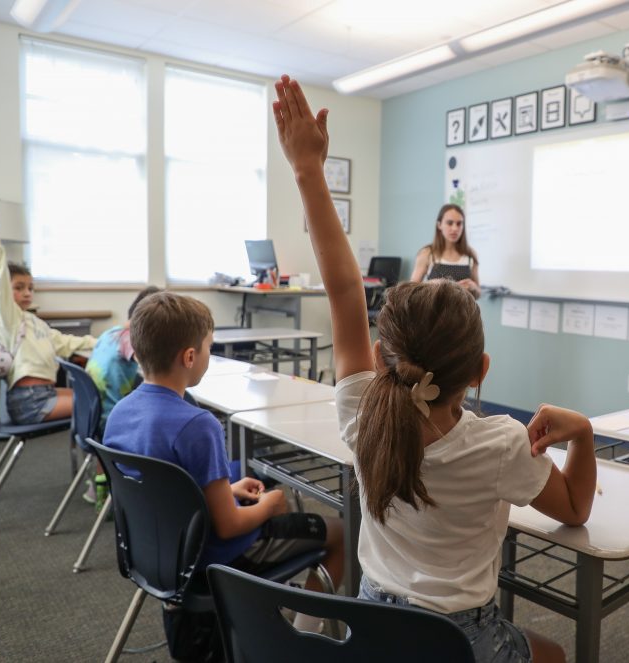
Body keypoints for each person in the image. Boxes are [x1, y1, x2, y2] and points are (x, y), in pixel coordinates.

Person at [273, 74, 596, 663]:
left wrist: (306, 170)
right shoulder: (502, 445)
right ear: (481, 371)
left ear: (380, 359)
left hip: (370, 625)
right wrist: (586, 436)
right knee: (556, 655)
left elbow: (345, 291)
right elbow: (575, 509)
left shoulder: (359, 416)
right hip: (459, 640)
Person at [102, 290, 343, 633]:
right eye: (209, 348)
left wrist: (226, 489)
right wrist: (271, 504)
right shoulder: (198, 425)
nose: (209, 355)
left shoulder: (121, 412)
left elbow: (165, 488)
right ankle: (300, 637)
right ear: (189, 356)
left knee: (265, 500)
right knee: (338, 533)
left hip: (155, 554)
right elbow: (229, 526)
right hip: (213, 560)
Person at [0, 187, 96, 424]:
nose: (27, 293)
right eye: (19, 287)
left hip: (44, 394)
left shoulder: (32, 322)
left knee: (97, 397)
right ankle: (96, 460)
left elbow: (68, 342)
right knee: (100, 405)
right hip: (30, 401)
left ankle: (89, 458)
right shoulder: (7, 320)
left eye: (30, 288)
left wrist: (110, 339)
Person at [82, 285, 160, 509]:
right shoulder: (130, 339)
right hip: (111, 417)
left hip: (92, 415)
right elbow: (151, 367)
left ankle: (98, 484)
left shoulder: (110, 332)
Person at [409, 203, 481, 298]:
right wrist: (431, 284)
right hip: (434, 312)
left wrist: (473, 288)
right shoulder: (427, 253)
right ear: (439, 225)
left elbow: (478, 293)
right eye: (450, 223)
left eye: (459, 224)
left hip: (463, 312)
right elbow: (410, 290)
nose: (455, 228)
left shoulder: (470, 254)